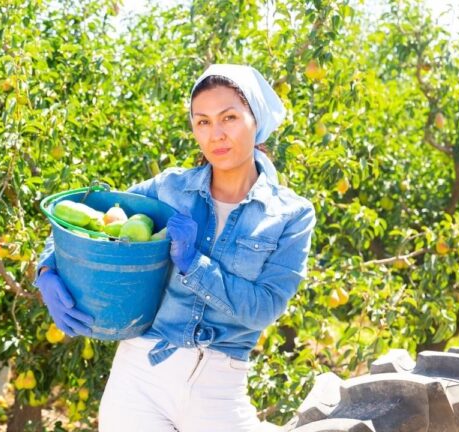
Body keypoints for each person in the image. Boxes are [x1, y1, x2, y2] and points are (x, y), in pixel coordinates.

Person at [35, 64, 316, 431]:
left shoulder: (291, 215)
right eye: (202, 122)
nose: (216, 134)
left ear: (255, 119)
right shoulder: (169, 189)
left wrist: (193, 263)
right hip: (141, 376)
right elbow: (90, 218)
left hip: (220, 387)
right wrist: (47, 268)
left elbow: (263, 309)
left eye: (229, 117)